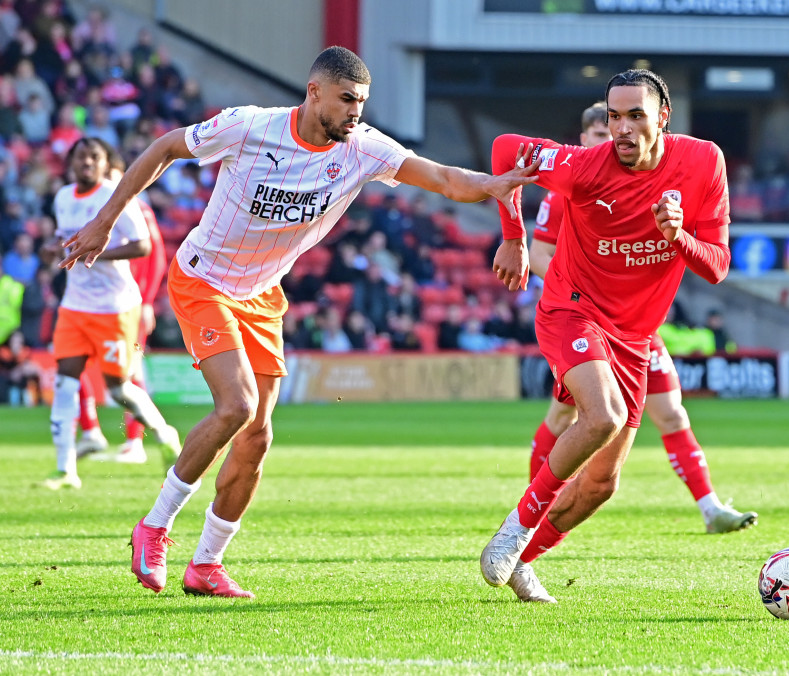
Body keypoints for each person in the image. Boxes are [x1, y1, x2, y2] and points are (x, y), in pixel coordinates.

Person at [58, 46, 538, 598]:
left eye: (362, 102)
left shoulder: (363, 149)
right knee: (235, 407)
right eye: (347, 100)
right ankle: (155, 526)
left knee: (257, 436)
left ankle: (206, 563)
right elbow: (167, 147)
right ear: (314, 93)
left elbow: (448, 180)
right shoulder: (250, 126)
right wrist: (104, 219)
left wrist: (494, 184)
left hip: (262, 295)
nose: (356, 112)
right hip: (204, 280)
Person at [481, 69, 740, 604]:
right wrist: (513, 238)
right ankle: (514, 530)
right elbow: (505, 149)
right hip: (571, 310)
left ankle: (524, 563)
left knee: (601, 485)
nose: (621, 128)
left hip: (633, 336)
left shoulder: (702, 162)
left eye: (635, 115)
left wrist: (679, 236)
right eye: (614, 115)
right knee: (604, 416)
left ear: (663, 118)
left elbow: (717, 267)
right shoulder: (581, 167)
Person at [526, 103, 755, 564]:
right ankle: (532, 510)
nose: (605, 139)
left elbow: (710, 259)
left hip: (638, 330)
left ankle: (710, 506)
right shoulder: (567, 189)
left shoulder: (655, 177)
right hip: (582, 321)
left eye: (611, 129)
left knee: (671, 413)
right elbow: (538, 255)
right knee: (564, 421)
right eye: (598, 130)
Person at [41, 137, 181, 491]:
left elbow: (144, 246)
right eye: (80, 157)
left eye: (94, 157)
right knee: (64, 381)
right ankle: (65, 470)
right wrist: (54, 250)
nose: (86, 163)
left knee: (118, 388)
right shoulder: (62, 197)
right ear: (71, 163)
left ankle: (163, 433)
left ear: (105, 164)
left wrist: (95, 251)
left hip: (114, 306)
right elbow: (67, 241)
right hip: (74, 305)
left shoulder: (115, 195)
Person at [77, 148, 171, 465]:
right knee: (75, 365)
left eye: (115, 178)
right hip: (99, 303)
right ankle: (93, 433)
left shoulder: (138, 209)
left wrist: (146, 300)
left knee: (129, 371)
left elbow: (154, 258)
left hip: (128, 304)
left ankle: (136, 441)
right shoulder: (105, 208)